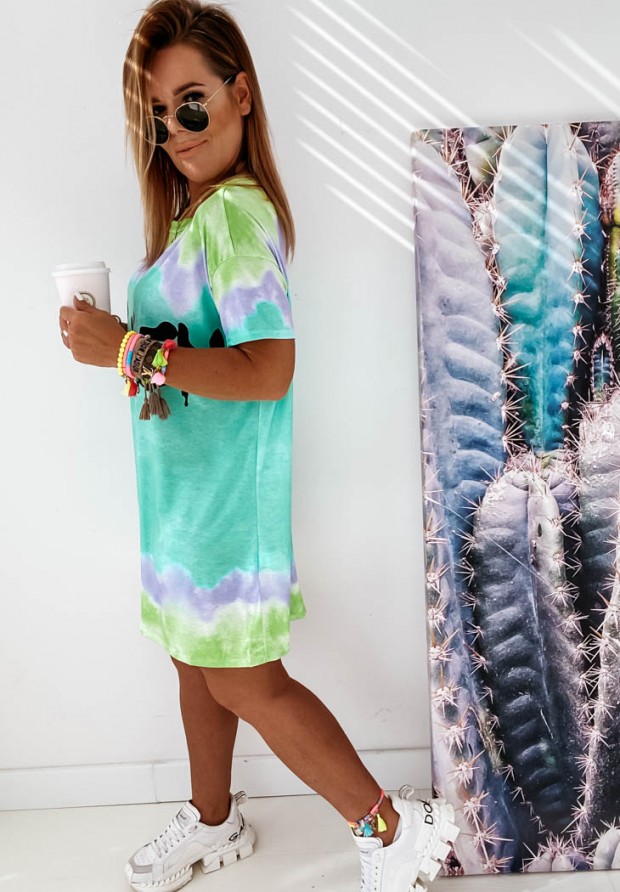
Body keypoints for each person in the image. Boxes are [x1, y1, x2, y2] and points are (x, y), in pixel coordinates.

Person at [58, 1, 458, 890]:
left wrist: (127, 349)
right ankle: (214, 821)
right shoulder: (198, 217)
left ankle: (393, 830)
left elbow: (269, 368)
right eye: (157, 117)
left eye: (190, 102)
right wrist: (122, 346)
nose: (175, 130)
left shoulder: (236, 216)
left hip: (225, 504)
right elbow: (192, 355)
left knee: (244, 678)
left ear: (240, 94)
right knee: (194, 663)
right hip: (183, 499)